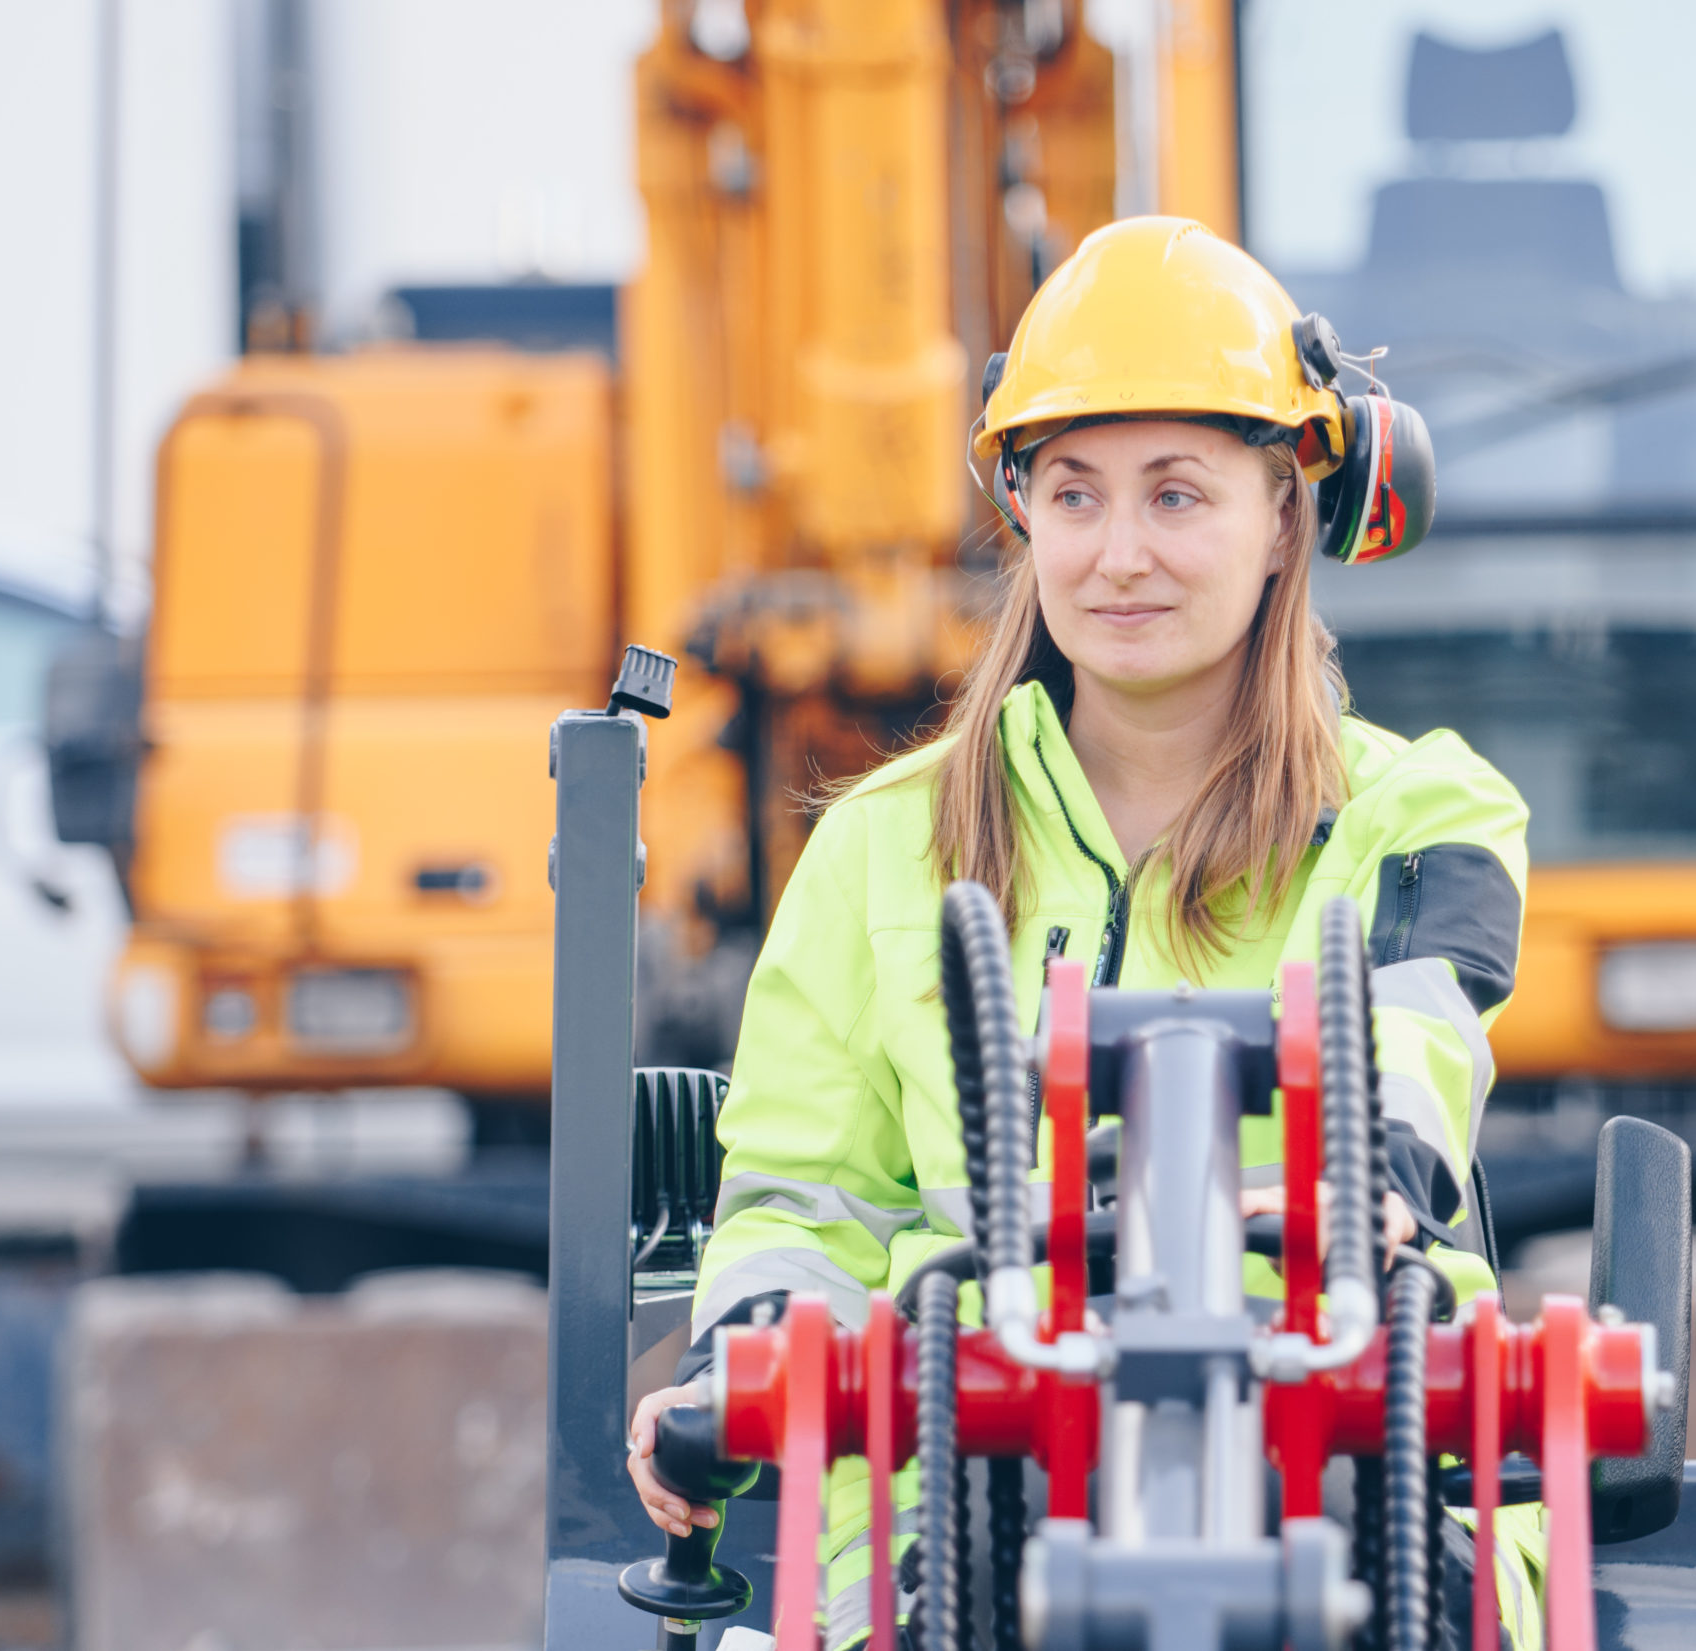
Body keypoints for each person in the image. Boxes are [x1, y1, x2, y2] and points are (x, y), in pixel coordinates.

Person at [627, 215, 1542, 1645]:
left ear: (1289, 513)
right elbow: (805, 1198)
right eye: (1074, 496)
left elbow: (1417, 1026)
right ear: (1023, 518)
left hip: (1353, 1478)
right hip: (958, 1518)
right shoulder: (882, 845)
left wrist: (1370, 1180)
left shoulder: (1421, 813)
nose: (1121, 555)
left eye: (1178, 497)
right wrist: (741, 1360)